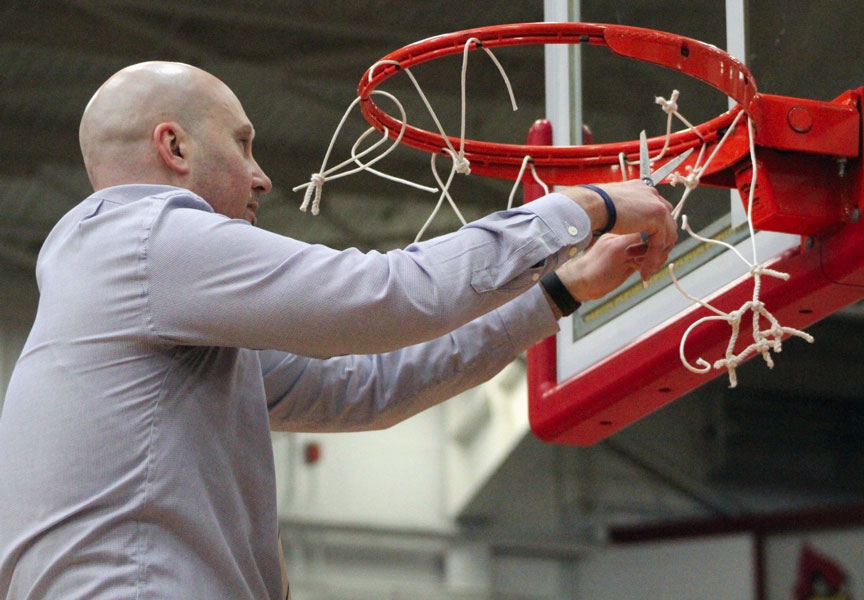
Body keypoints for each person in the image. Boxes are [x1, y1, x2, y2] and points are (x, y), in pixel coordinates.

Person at [0, 61, 677, 599]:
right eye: (242, 144)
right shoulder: (145, 238)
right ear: (172, 147)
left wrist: (559, 291)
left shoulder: (144, 294)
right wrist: (587, 205)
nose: (262, 177)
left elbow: (370, 386)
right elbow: (385, 296)